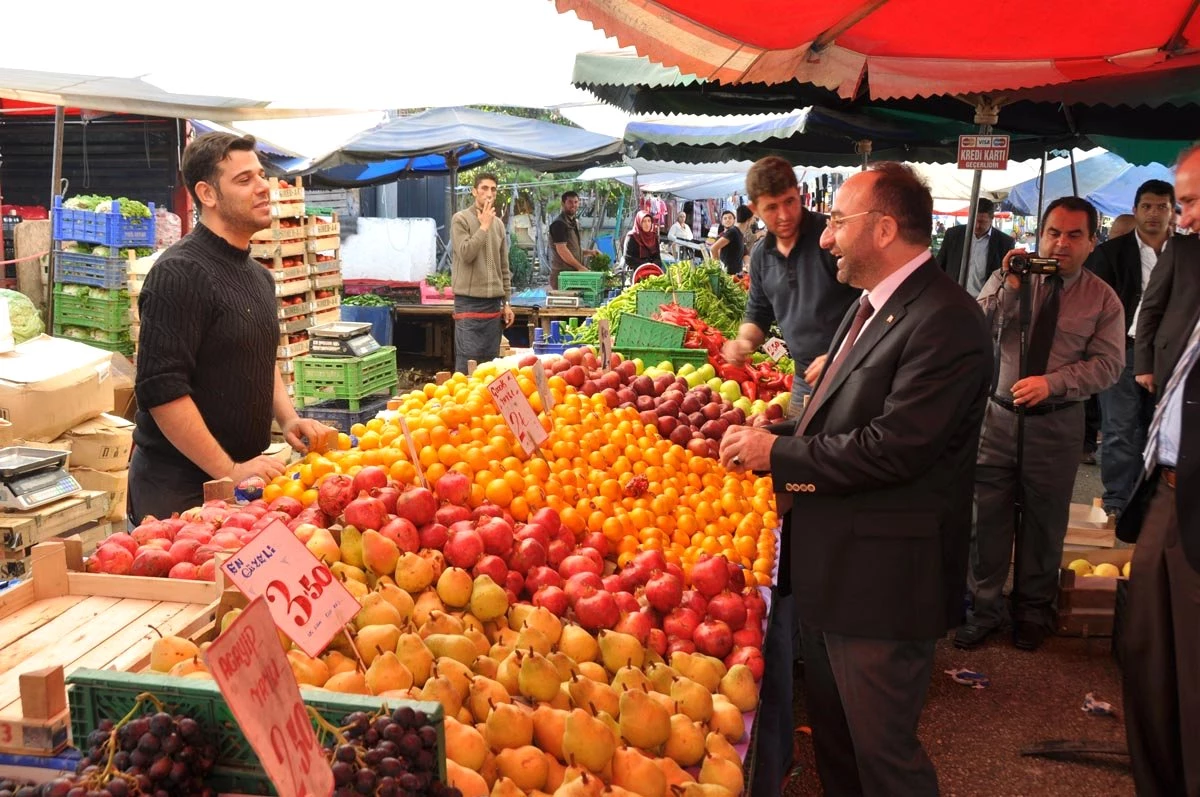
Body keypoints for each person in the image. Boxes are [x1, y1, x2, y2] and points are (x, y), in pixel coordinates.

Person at [719, 162, 993, 797]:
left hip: (884, 582)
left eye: (839, 221)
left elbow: (894, 449)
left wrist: (777, 455)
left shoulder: (946, 320)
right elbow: (841, 413)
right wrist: (783, 431)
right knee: (840, 748)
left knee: (884, 756)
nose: (826, 236)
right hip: (838, 566)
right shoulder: (872, 304)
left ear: (885, 229)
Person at [131, 132, 334, 523]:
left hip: (240, 483)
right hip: (179, 494)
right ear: (207, 194)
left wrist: (288, 418)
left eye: (261, 175)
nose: (263, 188)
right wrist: (230, 471)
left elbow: (259, 354)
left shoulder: (258, 275)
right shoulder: (180, 273)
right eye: (244, 180)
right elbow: (162, 392)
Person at [956, 197, 1125, 652]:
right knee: (985, 519)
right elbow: (974, 326)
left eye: (1074, 235)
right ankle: (984, 608)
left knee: (1044, 522)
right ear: (1040, 234)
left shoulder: (1103, 299)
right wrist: (1009, 283)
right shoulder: (1011, 277)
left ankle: (1033, 609)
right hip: (998, 420)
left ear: (1093, 241)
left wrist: (1054, 383)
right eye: (1053, 232)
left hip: (1056, 425)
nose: (1061, 243)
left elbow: (1109, 365)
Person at [1119, 143, 1200, 797]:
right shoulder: (1189, 249)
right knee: (1147, 655)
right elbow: (1154, 312)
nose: (1183, 215)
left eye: (1194, 201)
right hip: (1168, 484)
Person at [723, 156, 859, 414]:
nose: (784, 215)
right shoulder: (762, 255)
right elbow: (759, 312)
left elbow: (872, 301)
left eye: (789, 202)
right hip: (803, 380)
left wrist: (843, 355)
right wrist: (743, 342)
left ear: (799, 194)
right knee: (801, 446)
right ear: (755, 209)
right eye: (772, 207)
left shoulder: (831, 237)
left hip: (851, 375)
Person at [1087, 180, 1175, 518]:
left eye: (1161, 206)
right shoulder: (1111, 253)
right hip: (1121, 349)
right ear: (1136, 210)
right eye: (1147, 206)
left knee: (1159, 429)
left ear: (1172, 211)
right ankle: (1117, 503)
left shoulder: (1185, 251)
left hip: (1169, 353)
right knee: (1119, 429)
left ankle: (1149, 503)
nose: (1154, 213)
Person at [450, 172, 513, 374]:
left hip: (493, 305)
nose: (489, 193)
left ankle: (485, 404)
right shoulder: (461, 219)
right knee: (467, 362)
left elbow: (504, 266)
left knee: (490, 364)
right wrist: (483, 226)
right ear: (474, 191)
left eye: (493, 189)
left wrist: (507, 303)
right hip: (468, 302)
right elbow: (466, 253)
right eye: (484, 188)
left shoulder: (499, 225)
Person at [935, 197, 1016, 294]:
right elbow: (939, 266)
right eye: (974, 221)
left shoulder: (1005, 242)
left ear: (991, 219)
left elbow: (1007, 276)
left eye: (982, 222)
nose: (977, 226)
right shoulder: (953, 235)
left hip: (985, 301)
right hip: (953, 296)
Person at [547, 190, 598, 289]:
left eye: (576, 202)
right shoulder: (559, 224)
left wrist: (590, 252)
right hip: (562, 276)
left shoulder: (573, 222)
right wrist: (580, 267)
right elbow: (562, 251)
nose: (573, 205)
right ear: (563, 204)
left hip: (572, 275)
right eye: (570, 202)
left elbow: (573, 251)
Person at [710, 207, 749, 275]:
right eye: (725, 218)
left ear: (734, 220)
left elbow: (745, 252)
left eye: (730, 218)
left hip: (738, 273)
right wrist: (717, 269)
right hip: (727, 273)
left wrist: (747, 264)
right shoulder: (720, 237)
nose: (727, 220)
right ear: (722, 222)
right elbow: (714, 250)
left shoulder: (739, 234)